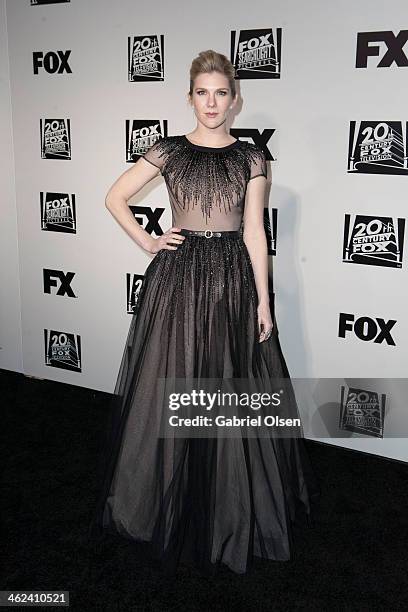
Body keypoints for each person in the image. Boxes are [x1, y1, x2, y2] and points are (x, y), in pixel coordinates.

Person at [89, 49, 320, 576]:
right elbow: (114, 197)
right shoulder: (168, 150)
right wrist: (148, 241)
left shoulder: (251, 158)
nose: (211, 102)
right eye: (202, 92)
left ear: (234, 100)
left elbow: (255, 232)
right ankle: (166, 503)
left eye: (221, 92)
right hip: (179, 277)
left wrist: (264, 300)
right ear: (189, 97)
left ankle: (228, 511)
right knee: (176, 380)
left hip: (233, 279)